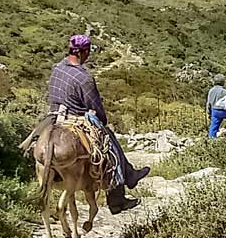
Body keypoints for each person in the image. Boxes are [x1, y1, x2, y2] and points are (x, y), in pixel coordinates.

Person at [48, 34, 150, 214]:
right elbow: (95, 107)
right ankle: (118, 197)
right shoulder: (84, 78)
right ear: (84, 52)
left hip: (54, 117)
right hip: (74, 119)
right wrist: (102, 121)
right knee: (110, 148)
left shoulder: (57, 68)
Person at [206, 73, 226, 138]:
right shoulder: (223, 91)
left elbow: (208, 103)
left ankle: (211, 140)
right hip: (223, 111)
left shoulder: (211, 90)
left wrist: (209, 113)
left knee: (213, 126)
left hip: (214, 111)